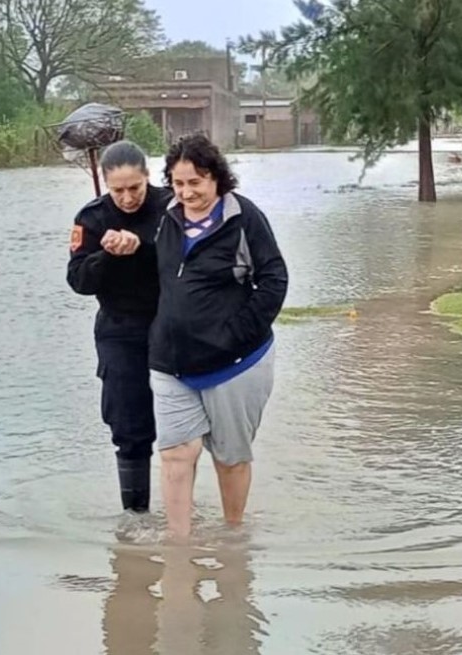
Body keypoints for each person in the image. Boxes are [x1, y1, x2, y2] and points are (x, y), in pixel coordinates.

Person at [148, 134, 288, 540]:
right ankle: (178, 544)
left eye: (196, 182)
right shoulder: (165, 217)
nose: (186, 192)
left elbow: (274, 281)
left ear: (217, 178)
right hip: (170, 362)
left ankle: (233, 540)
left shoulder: (244, 218)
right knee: (176, 454)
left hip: (235, 364)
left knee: (230, 458)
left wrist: (234, 335)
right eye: (178, 183)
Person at [67, 141, 174, 514]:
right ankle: (135, 517)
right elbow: (79, 281)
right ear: (106, 184)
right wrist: (107, 256)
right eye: (118, 191)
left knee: (184, 425)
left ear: (147, 177)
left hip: (171, 323)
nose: (128, 198)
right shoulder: (92, 218)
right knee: (129, 426)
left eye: (135, 188)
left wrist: (141, 246)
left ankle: (186, 516)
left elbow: (186, 263)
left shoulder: (171, 206)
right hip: (119, 329)